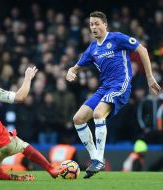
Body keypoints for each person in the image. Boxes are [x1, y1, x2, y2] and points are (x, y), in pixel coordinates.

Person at [66, 11, 161, 179]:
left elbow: (143, 50)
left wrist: (149, 77)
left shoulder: (116, 38)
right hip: (104, 88)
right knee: (78, 118)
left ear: (105, 24)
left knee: (97, 114)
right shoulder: (92, 48)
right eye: (91, 24)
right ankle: (96, 158)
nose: (93, 27)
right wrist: (71, 71)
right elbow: (76, 67)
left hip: (121, 85)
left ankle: (99, 160)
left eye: (96, 23)